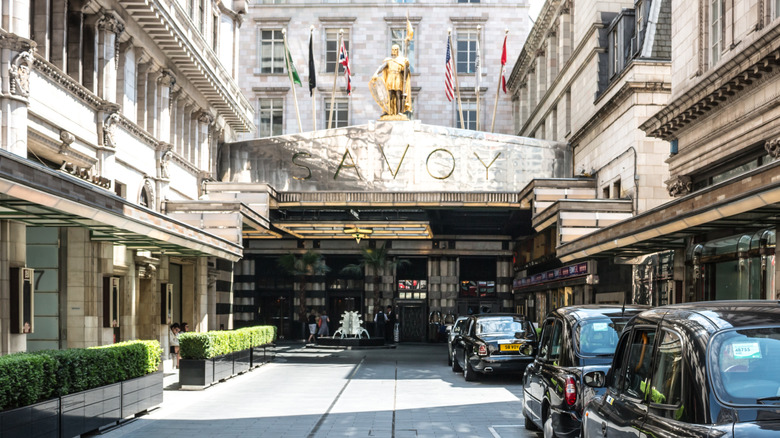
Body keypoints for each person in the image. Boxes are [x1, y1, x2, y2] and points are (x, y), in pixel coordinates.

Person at [372, 44, 411, 116]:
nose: (394, 51)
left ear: (398, 51)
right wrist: (376, 73)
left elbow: (405, 72)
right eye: (393, 49)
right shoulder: (388, 60)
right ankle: (387, 111)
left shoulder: (401, 61)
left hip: (398, 77)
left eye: (396, 49)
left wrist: (407, 66)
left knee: (398, 95)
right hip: (390, 77)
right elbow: (382, 67)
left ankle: (399, 112)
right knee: (388, 95)